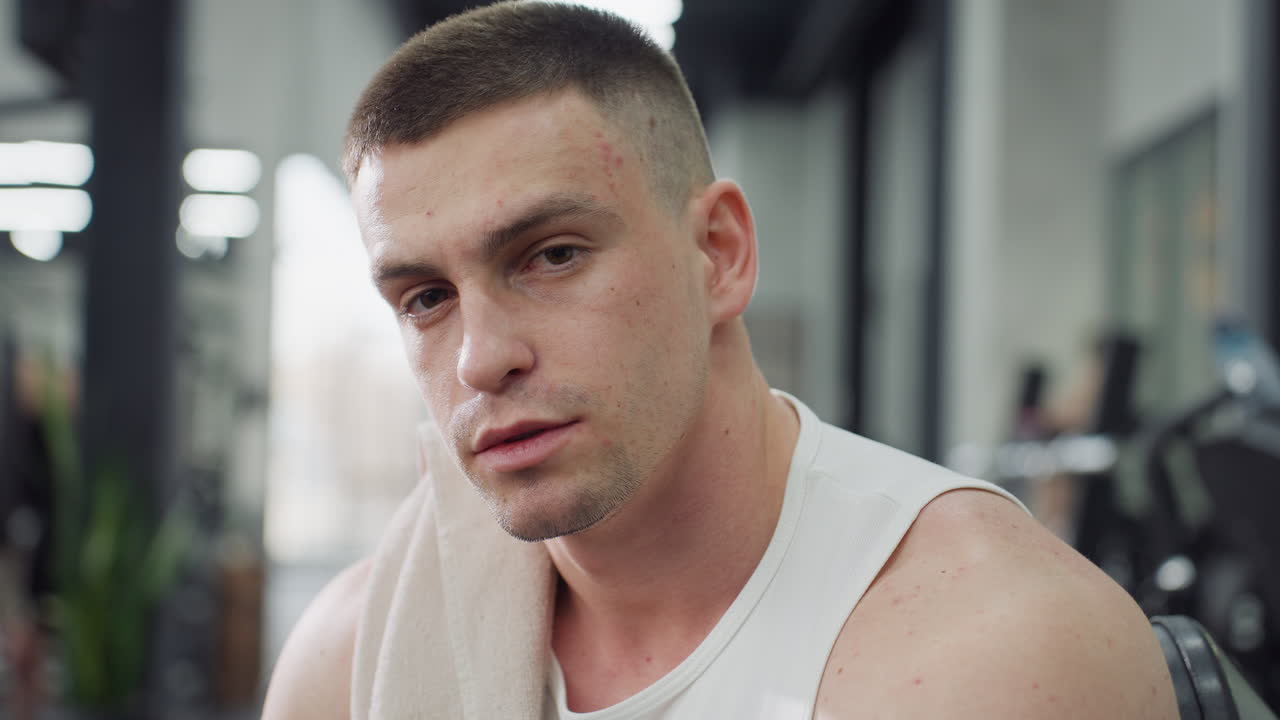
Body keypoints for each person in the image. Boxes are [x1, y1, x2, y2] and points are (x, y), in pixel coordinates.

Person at [263, 3, 1178, 718]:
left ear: (721, 254)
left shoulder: (1000, 652)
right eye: (426, 297)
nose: (479, 359)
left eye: (552, 255)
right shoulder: (351, 661)